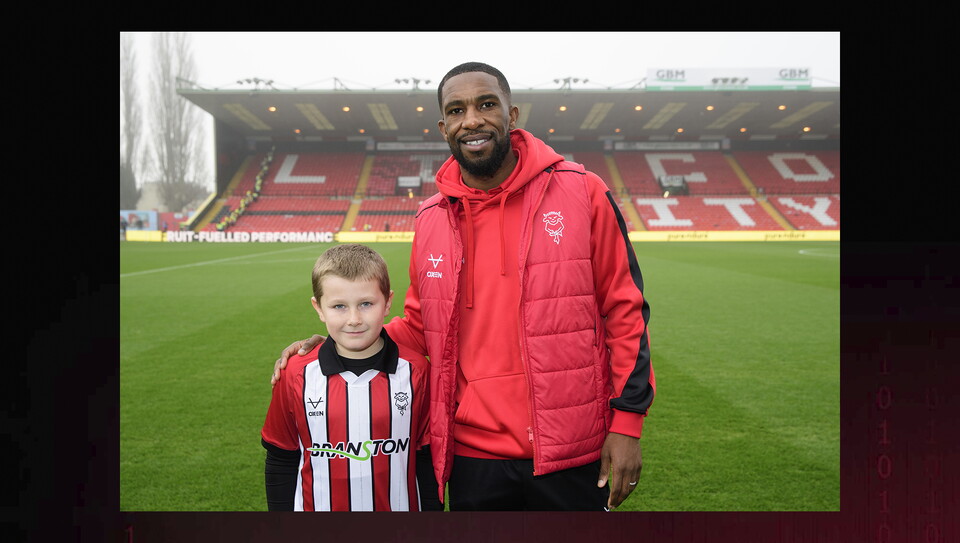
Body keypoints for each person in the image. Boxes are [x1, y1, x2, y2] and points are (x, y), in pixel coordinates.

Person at [273, 62, 655, 511]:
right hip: (473, 457)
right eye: (456, 110)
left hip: (572, 448)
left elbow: (624, 311)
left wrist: (626, 423)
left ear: (512, 115)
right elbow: (420, 323)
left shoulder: (584, 193)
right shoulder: (431, 218)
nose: (471, 119)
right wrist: (338, 341)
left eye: (486, 104)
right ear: (443, 127)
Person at [261, 243, 441, 511]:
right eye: (339, 306)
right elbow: (280, 458)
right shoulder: (296, 374)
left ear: (388, 302)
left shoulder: (416, 371)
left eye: (366, 303)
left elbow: (426, 459)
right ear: (319, 308)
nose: (354, 319)